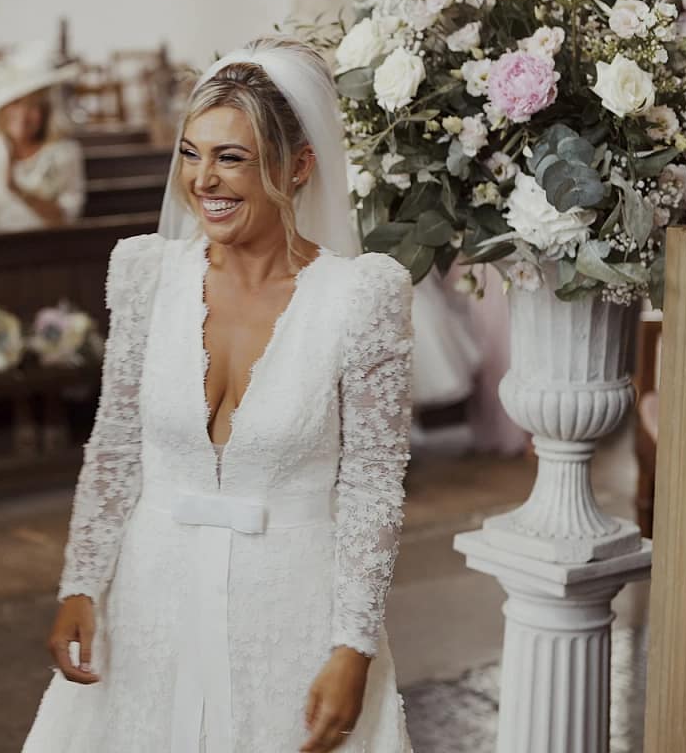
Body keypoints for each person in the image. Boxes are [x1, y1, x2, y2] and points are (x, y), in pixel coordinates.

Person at [23, 37, 414, 753]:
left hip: (290, 613)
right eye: (191, 153)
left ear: (298, 167)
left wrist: (353, 645)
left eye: (231, 157)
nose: (204, 179)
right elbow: (114, 444)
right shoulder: (146, 275)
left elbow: (372, 486)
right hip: (146, 607)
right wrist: (81, 583)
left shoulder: (361, 297)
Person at [0, 44, 86, 234]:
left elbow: (65, 219)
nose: (23, 116)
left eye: (33, 106)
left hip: (52, 253)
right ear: (2, 110)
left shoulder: (65, 152)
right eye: (15, 104)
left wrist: (17, 191)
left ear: (46, 111)